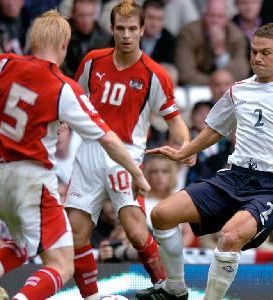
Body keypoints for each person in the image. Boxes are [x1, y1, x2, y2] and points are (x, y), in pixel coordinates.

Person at [0, 10, 150, 300]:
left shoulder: (3, 63)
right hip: (32, 179)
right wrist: (137, 172)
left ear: (32, 39)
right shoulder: (63, 87)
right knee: (62, 264)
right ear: (65, 46)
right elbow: (107, 137)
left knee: (25, 243)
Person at [136, 22, 273, 299]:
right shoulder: (239, 90)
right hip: (232, 176)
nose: (257, 58)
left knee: (230, 237)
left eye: (265, 52)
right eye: (254, 51)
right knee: (161, 215)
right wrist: (185, 151)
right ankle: (174, 288)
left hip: (272, 187)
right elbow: (215, 128)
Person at [64, 1, 194, 299]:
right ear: (111, 29)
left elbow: (175, 121)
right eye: (120, 28)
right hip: (88, 153)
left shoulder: (154, 74)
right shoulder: (93, 61)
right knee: (76, 233)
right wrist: (60, 121)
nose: (126, 35)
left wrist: (186, 144)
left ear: (142, 30)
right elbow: (72, 97)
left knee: (136, 231)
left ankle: (166, 286)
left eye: (132, 29)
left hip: (125, 157)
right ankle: (92, 296)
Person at [175, 0, 250, 85]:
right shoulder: (189, 33)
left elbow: (241, 74)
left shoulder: (237, 36)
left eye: (220, 17)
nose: (215, 21)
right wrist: (216, 83)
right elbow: (185, 74)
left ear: (227, 19)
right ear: (203, 17)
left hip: (227, 89)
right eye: (211, 16)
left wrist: (220, 51)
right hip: (195, 88)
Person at [62, 0, 112, 77]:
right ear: (73, 14)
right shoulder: (64, 35)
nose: (86, 20)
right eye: (81, 15)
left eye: (89, 15)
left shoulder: (105, 39)